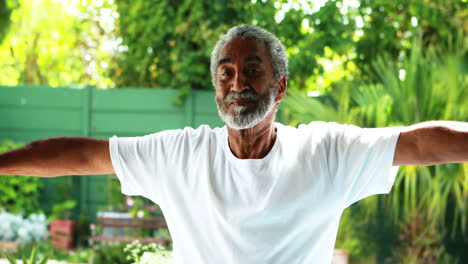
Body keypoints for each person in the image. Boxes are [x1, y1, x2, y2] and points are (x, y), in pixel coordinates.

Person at [0, 25, 467, 263]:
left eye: (252, 69)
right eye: (226, 72)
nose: (237, 81)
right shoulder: (178, 154)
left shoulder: (328, 153)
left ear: (280, 87)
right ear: (217, 87)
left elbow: (423, 144)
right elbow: (81, 154)